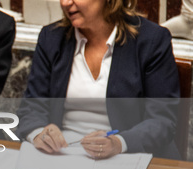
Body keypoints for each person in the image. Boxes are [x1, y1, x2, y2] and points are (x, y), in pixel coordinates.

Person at [18, 0, 181, 159]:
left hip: (128, 156)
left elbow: (162, 120)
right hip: (62, 156)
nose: (66, 3)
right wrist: (39, 133)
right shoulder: (51, 37)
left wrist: (119, 143)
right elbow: (32, 107)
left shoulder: (151, 40)